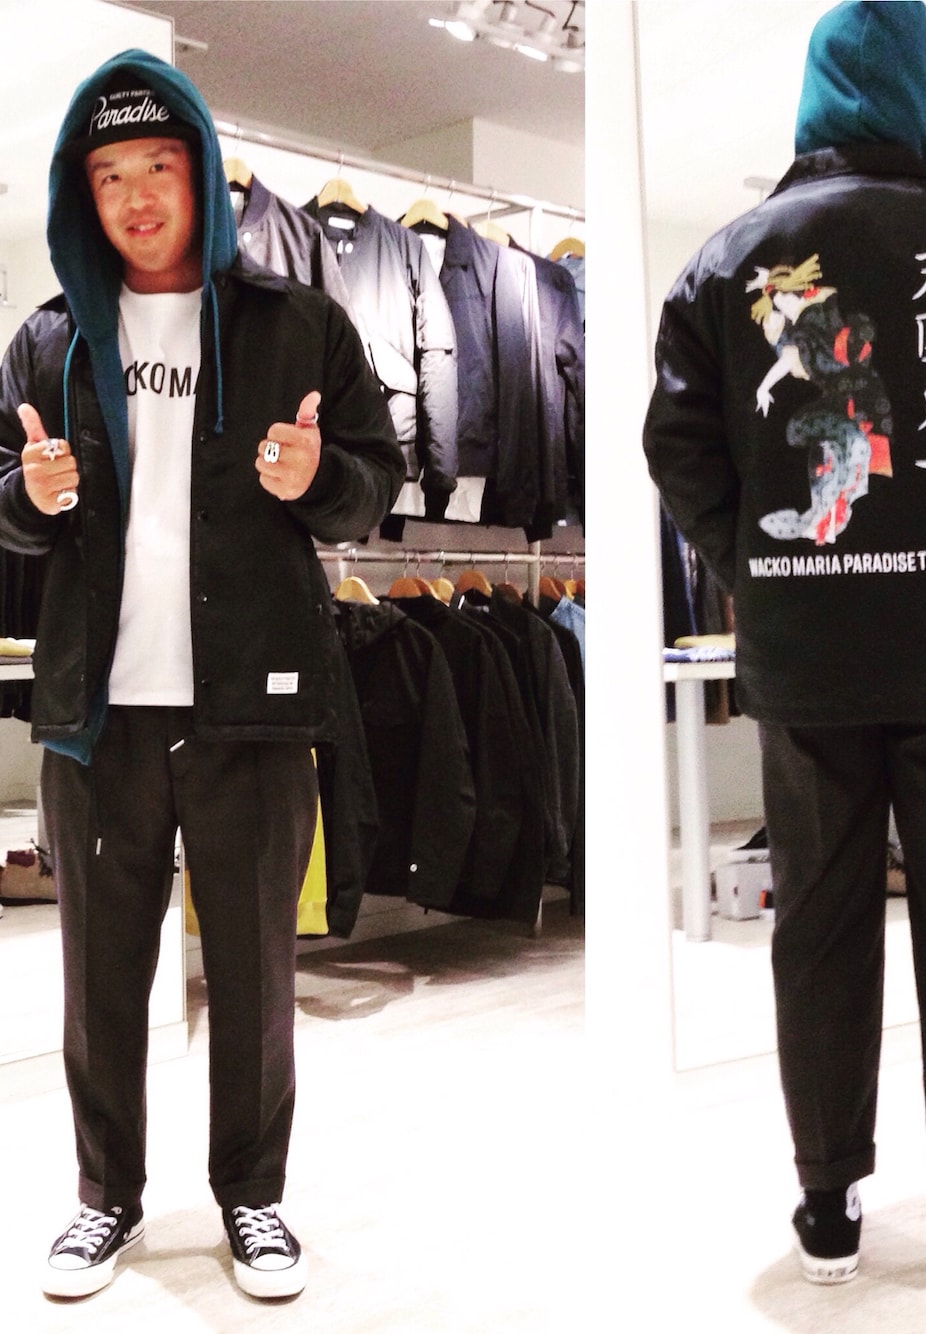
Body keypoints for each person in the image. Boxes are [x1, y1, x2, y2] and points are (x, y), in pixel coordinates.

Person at [0, 49, 403, 1301]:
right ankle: (103, 1198)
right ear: (84, 193)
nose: (134, 196)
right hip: (97, 712)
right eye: (108, 174)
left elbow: (376, 485)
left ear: (203, 175)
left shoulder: (298, 323)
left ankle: (254, 1195)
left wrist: (317, 481)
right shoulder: (52, 338)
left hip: (253, 702)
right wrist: (29, 496)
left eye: (157, 167)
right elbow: (3, 496)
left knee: (255, 969)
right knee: (99, 975)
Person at [643, 0, 926, 1292]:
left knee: (821, 922)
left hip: (807, 657)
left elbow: (677, 447)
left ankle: (828, 1196)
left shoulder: (726, 261)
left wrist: (758, 564)